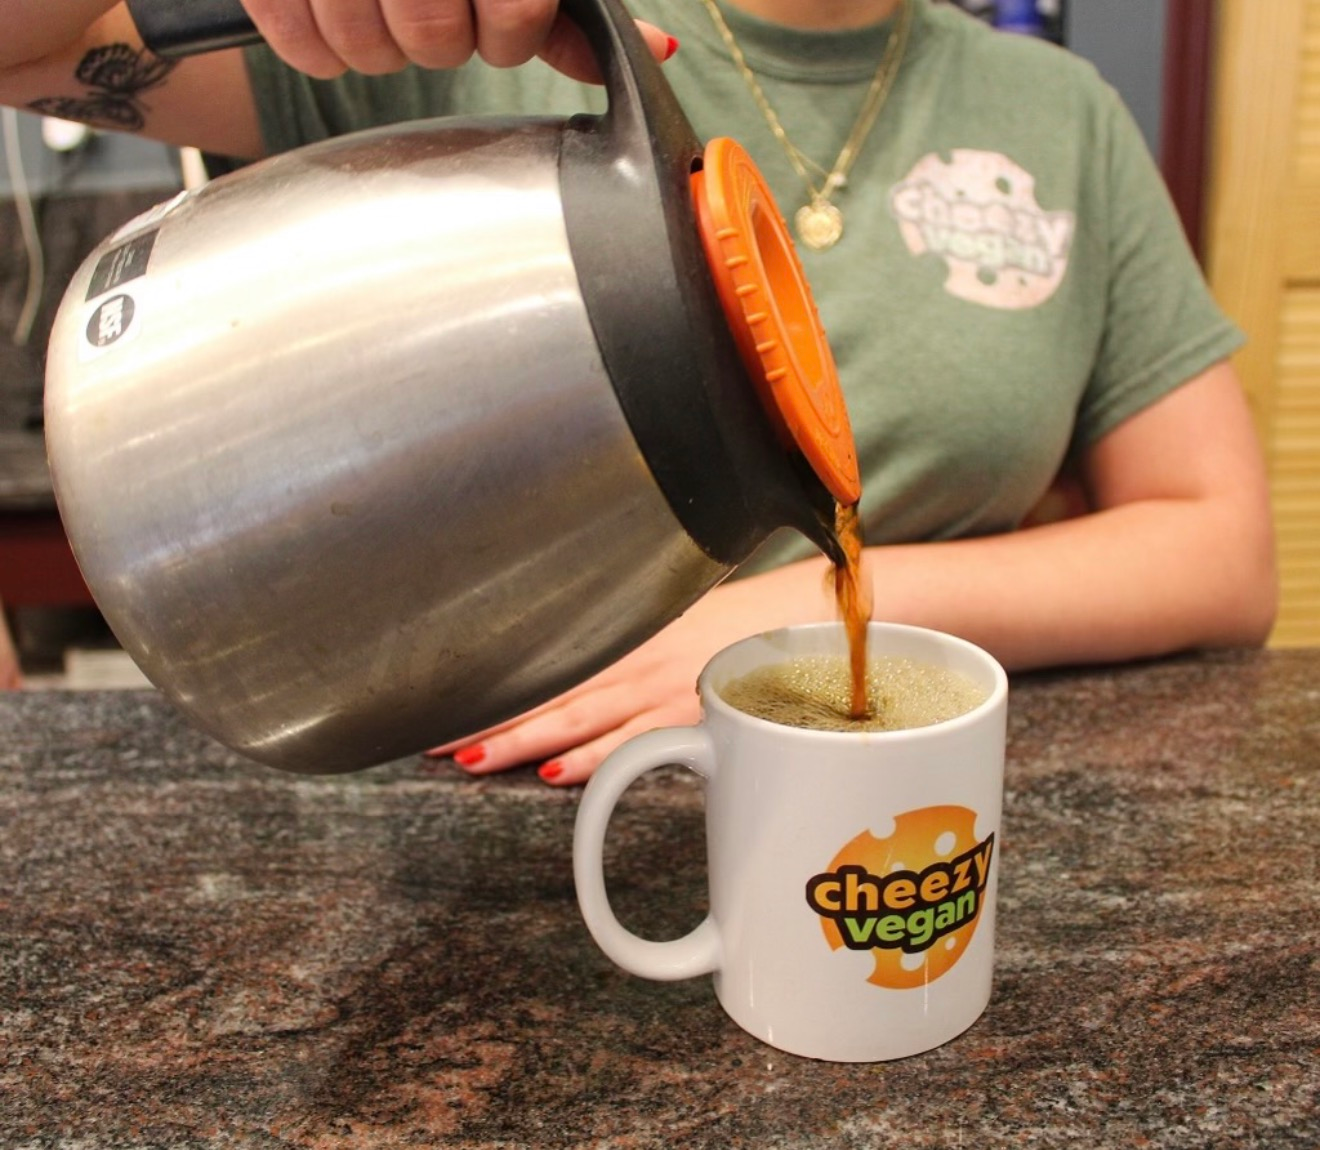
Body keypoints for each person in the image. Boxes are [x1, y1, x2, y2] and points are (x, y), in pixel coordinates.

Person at [1, 0, 1277, 784]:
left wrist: (767, 627)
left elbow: (1219, 548)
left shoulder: (1058, 109)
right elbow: (32, 49)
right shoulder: (497, 32)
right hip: (493, 789)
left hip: (890, 774)